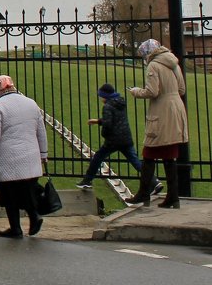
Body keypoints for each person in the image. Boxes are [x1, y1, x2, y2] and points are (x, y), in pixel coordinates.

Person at [127, 38, 188, 209]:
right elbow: (182, 89)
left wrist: (135, 91)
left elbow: (152, 91)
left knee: (149, 152)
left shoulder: (153, 65)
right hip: (176, 108)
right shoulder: (173, 62)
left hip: (161, 111)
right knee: (169, 155)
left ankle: (143, 193)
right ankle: (173, 196)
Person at [0, 75, 47, 238]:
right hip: (31, 157)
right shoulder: (31, 103)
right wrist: (43, 153)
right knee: (28, 191)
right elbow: (41, 130)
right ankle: (34, 217)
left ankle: (16, 228)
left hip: (8, 158)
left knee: (9, 195)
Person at [78, 83, 150, 193]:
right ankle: (153, 181)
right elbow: (116, 119)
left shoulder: (107, 106)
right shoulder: (120, 103)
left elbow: (108, 124)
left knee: (98, 157)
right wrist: (98, 121)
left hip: (113, 140)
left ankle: (87, 180)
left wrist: (105, 135)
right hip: (126, 138)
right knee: (135, 161)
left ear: (104, 96)